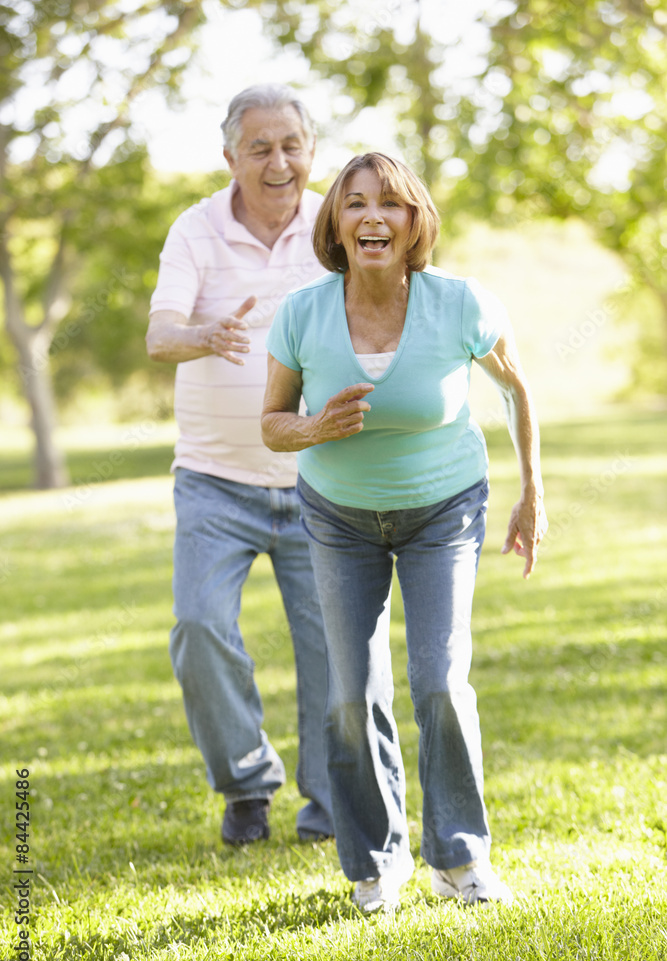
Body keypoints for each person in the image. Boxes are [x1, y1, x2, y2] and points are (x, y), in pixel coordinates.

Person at [261, 152, 547, 911]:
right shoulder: (302, 313)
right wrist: (316, 427)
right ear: (335, 224)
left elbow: (517, 390)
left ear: (415, 221)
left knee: (439, 681)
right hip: (337, 515)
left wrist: (531, 496)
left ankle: (459, 859)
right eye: (354, 204)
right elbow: (271, 424)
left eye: (390, 204)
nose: (372, 217)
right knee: (350, 694)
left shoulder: (458, 304)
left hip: (441, 509)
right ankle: (374, 862)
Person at [146, 83, 334, 846]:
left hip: (321, 479)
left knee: (332, 647)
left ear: (310, 152)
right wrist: (205, 337)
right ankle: (246, 784)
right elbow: (161, 336)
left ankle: (329, 800)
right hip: (214, 481)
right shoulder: (195, 229)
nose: (277, 161)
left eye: (290, 144)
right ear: (230, 157)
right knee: (198, 625)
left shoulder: (337, 222)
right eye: (259, 147)